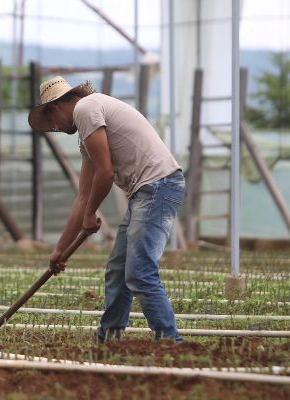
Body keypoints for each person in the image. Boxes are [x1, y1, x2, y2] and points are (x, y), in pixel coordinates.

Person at [28, 76, 186, 343]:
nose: (56, 128)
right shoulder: (87, 132)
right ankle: (110, 339)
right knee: (118, 270)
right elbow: (82, 197)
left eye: (52, 122)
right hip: (145, 192)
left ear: (55, 107)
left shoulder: (86, 109)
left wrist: (91, 214)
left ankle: (170, 342)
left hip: (158, 186)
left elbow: (105, 173)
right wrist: (60, 250)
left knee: (140, 271)